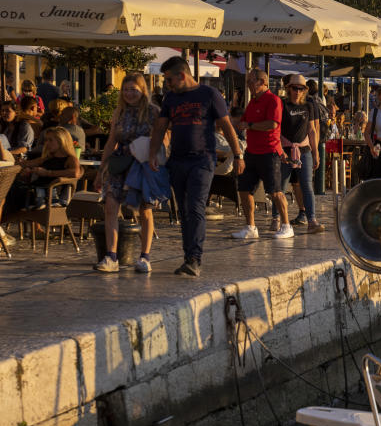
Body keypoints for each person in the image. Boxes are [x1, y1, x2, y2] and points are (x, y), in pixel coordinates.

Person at [149, 56, 244, 277]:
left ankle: (195, 258)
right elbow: (160, 127)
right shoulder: (171, 98)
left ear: (182, 75)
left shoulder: (210, 95)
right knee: (183, 209)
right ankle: (188, 256)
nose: (167, 85)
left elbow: (227, 126)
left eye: (170, 80)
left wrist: (238, 154)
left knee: (195, 207)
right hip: (177, 160)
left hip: (202, 160)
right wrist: (153, 153)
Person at [94, 73, 163, 273]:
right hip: (121, 162)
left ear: (143, 90)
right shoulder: (119, 112)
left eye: (133, 89)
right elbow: (111, 142)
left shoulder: (153, 112)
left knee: (144, 209)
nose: (129, 94)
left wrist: (155, 159)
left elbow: (163, 138)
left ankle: (145, 256)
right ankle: (111, 256)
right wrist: (101, 170)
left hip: (142, 164)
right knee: (110, 206)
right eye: (126, 90)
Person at [232, 68, 292, 240]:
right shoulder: (252, 102)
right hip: (251, 152)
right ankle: (250, 226)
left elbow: (272, 124)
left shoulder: (273, 100)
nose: (248, 85)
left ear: (262, 82)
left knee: (275, 191)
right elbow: (246, 121)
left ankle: (287, 225)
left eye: (251, 81)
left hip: (269, 152)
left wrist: (249, 125)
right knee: (244, 189)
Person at [276, 74, 323, 234]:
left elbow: (312, 130)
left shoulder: (309, 105)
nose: (297, 91)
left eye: (301, 88)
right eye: (294, 88)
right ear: (289, 89)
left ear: (305, 90)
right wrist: (279, 150)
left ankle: (312, 220)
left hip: (304, 151)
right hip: (286, 150)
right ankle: (278, 218)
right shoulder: (282, 104)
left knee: (307, 186)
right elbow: (276, 129)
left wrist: (316, 153)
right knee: (281, 186)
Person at [19, 127, 80, 210]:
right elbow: (27, 164)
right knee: (12, 190)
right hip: (37, 192)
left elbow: (75, 173)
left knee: (11, 194)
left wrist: (48, 173)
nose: (46, 143)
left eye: (50, 140)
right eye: (46, 140)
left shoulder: (70, 159)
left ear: (62, 141)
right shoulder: (47, 158)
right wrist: (28, 171)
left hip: (54, 197)